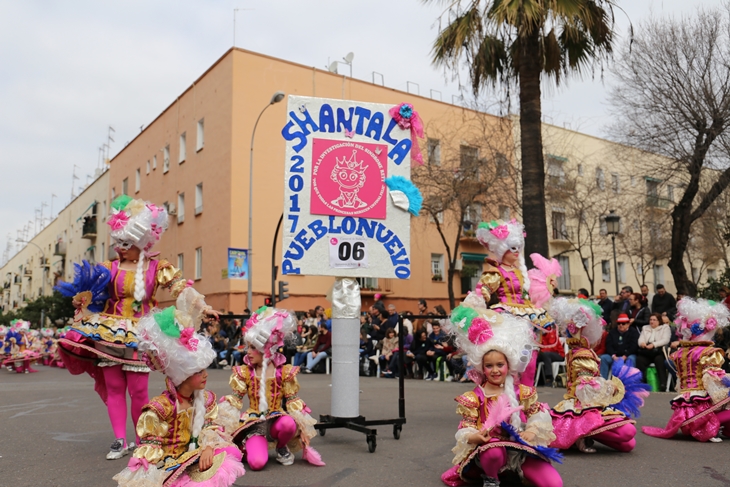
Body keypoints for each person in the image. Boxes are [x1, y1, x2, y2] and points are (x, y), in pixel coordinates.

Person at [57, 196, 218, 460]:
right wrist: (80, 300)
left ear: (142, 243)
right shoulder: (107, 268)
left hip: (141, 335)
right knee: (115, 387)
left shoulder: (158, 267)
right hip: (108, 332)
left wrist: (203, 307)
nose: (121, 248)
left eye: (127, 244)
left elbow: (180, 287)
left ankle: (144, 439)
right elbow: (90, 294)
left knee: (139, 390)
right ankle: (120, 439)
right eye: (118, 243)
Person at [113, 291, 245, 487]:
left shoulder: (205, 399)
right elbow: (149, 453)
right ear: (183, 376)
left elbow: (210, 427)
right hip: (169, 467)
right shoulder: (160, 407)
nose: (206, 375)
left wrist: (209, 447)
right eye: (199, 372)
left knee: (229, 452)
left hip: (193, 458)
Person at [440, 291, 563, 487]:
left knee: (553, 484)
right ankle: (492, 479)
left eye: (500, 365)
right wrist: (476, 436)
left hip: (519, 451)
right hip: (490, 452)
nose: (495, 370)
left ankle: (514, 471)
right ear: (482, 368)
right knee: (494, 452)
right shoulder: (474, 397)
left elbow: (538, 414)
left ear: (509, 365)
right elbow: (465, 428)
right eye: (489, 366)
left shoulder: (522, 392)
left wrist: (531, 431)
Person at [218, 307, 323, 470]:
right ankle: (249, 447)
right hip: (255, 424)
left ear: (266, 350)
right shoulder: (246, 372)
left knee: (288, 423)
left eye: (253, 348)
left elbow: (293, 402)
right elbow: (235, 401)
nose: (248, 352)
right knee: (257, 463)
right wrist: (222, 425)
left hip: (276, 423)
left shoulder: (284, 371)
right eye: (248, 347)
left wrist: (304, 430)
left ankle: (281, 446)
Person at [549, 298, 649, 454]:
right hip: (582, 406)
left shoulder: (580, 352)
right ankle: (581, 433)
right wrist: (612, 388)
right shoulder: (582, 354)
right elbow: (587, 387)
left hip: (589, 404)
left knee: (628, 444)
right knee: (628, 432)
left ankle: (583, 433)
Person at [475, 219, 556, 386]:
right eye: (513, 248)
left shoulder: (521, 273)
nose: (517, 252)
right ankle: (506, 394)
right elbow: (482, 291)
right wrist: (480, 297)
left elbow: (532, 294)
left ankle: (527, 395)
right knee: (508, 358)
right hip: (506, 318)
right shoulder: (495, 272)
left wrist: (547, 287)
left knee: (529, 358)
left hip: (525, 317)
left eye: (518, 248)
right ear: (502, 249)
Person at [643, 298, 730, 442]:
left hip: (684, 412)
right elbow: (713, 380)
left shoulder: (681, 353)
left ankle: (719, 427)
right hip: (702, 411)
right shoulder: (708, 352)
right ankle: (710, 426)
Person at [636, 312, 671, 388]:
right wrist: (642, 343)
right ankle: (642, 382)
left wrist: (654, 344)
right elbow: (641, 339)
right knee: (639, 360)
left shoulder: (665, 328)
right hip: (647, 351)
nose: (652, 321)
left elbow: (665, 340)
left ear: (659, 321)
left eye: (654, 320)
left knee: (659, 360)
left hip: (658, 350)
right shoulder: (645, 328)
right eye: (650, 320)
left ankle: (663, 383)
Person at [599, 313, 639, 379]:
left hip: (628, 355)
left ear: (628, 324)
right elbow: (609, 345)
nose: (621, 325)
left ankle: (629, 382)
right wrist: (613, 356)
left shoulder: (634, 332)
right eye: (619, 323)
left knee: (631, 359)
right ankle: (603, 381)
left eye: (623, 324)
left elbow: (634, 346)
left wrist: (625, 356)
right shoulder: (612, 332)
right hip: (614, 355)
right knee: (604, 358)